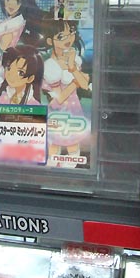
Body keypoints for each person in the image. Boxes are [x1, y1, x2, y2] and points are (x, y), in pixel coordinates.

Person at [42, 17, 90, 167]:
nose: (68, 39)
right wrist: (75, 82)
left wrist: (72, 68)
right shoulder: (49, 67)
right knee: (54, 146)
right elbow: (58, 100)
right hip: (57, 114)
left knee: (73, 147)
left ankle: (68, 173)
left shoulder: (74, 60)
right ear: (50, 41)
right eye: (61, 36)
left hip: (74, 111)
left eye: (71, 33)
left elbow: (84, 85)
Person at [0, 0, 41, 88]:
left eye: (17, 1)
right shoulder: (10, 23)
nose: (11, 4)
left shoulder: (14, 26)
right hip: (7, 66)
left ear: (24, 3)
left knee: (6, 89)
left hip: (8, 67)